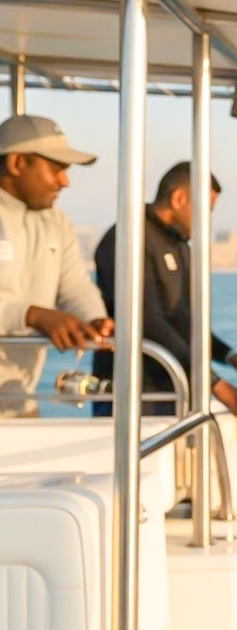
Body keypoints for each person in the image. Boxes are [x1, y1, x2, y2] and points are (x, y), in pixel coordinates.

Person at [93, 161, 237, 418]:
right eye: (204, 210)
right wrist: (214, 383)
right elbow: (146, 320)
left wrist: (231, 358)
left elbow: (183, 319)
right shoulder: (127, 238)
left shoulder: (179, 245)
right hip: (133, 392)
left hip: (174, 386)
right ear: (179, 198)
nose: (206, 221)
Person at [0, 115, 112, 417]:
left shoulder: (56, 222)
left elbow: (74, 284)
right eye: (56, 168)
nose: (65, 181)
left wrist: (95, 319)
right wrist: (33, 315)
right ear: (16, 163)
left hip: (20, 403)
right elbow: (29, 313)